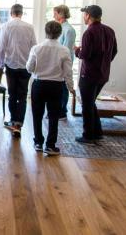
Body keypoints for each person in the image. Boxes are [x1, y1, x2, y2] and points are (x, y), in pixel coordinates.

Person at [26, 21, 74, 156]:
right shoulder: (64, 50)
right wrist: (71, 88)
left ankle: (38, 142)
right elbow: (68, 72)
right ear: (59, 34)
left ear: (46, 32)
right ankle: (50, 145)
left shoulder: (36, 48)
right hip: (56, 86)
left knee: (37, 115)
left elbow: (29, 68)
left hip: (39, 84)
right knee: (53, 116)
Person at [75, 5, 118, 144]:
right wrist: (105, 62)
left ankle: (88, 136)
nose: (83, 17)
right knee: (90, 102)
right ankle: (98, 132)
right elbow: (114, 51)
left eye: (84, 14)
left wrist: (77, 50)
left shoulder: (89, 32)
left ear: (88, 15)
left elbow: (85, 54)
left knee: (86, 105)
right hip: (103, 74)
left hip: (88, 75)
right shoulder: (110, 30)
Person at [0, 4, 36, 137]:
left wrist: (0, 65)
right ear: (21, 13)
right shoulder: (29, 27)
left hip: (11, 65)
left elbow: (1, 48)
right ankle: (19, 124)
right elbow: (34, 48)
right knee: (23, 96)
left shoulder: (5, 27)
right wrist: (32, 65)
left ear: (11, 13)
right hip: (26, 66)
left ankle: (13, 122)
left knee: (12, 95)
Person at [54, 4, 76, 120]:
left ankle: (62, 112)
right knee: (58, 87)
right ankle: (57, 110)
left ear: (60, 14)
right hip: (57, 62)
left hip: (64, 62)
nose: (54, 15)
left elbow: (66, 50)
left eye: (55, 13)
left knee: (63, 87)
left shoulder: (69, 30)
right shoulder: (60, 28)